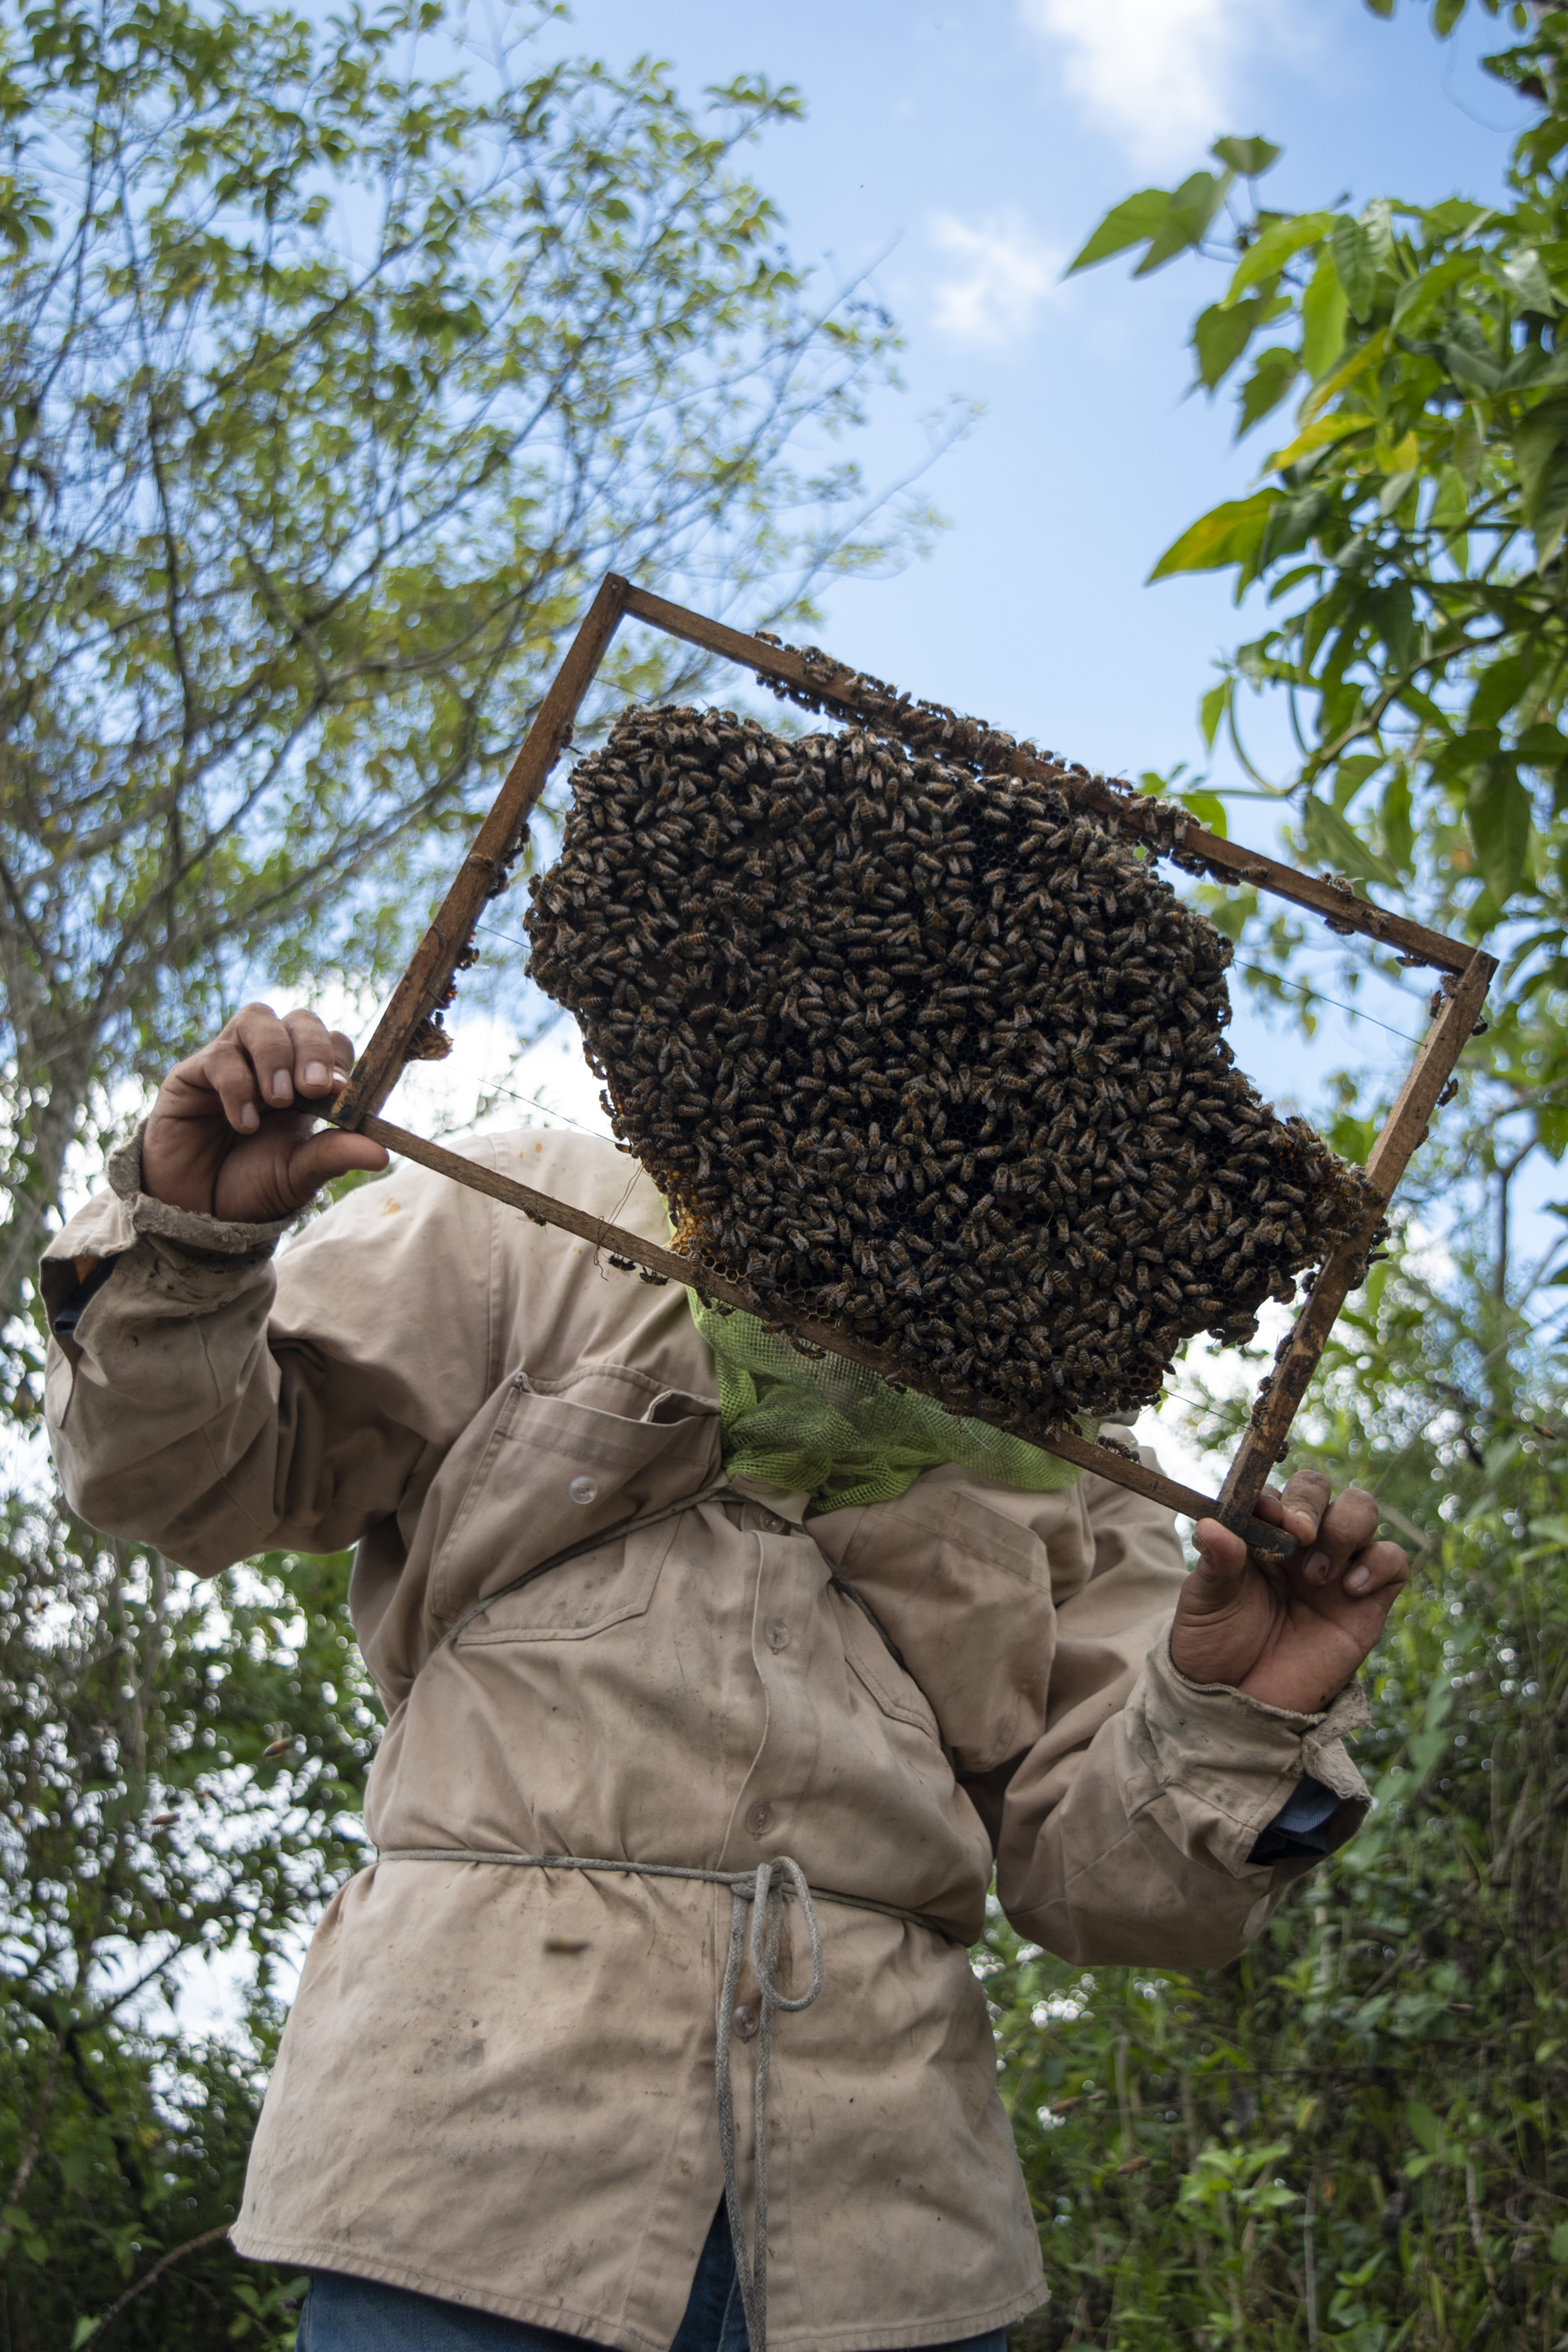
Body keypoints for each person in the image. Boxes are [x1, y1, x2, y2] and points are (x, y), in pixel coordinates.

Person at [43, 1004, 1409, 2352]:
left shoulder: (1058, 1431)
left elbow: (1107, 1880)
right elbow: (183, 1482)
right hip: (470, 2170)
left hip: (891, 2232)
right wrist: (188, 1239)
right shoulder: (537, 1210)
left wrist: (1241, 1708)